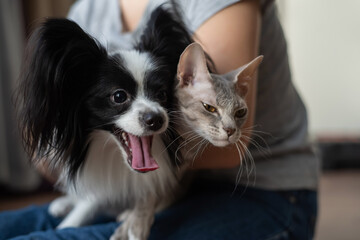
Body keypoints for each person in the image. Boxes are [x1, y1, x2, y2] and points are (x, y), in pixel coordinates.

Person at [0, 0, 319, 239]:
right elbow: (50, 154)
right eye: (119, 97)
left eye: (161, 94)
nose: (151, 111)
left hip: (259, 193)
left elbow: (225, 144)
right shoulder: (90, 10)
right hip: (118, 196)